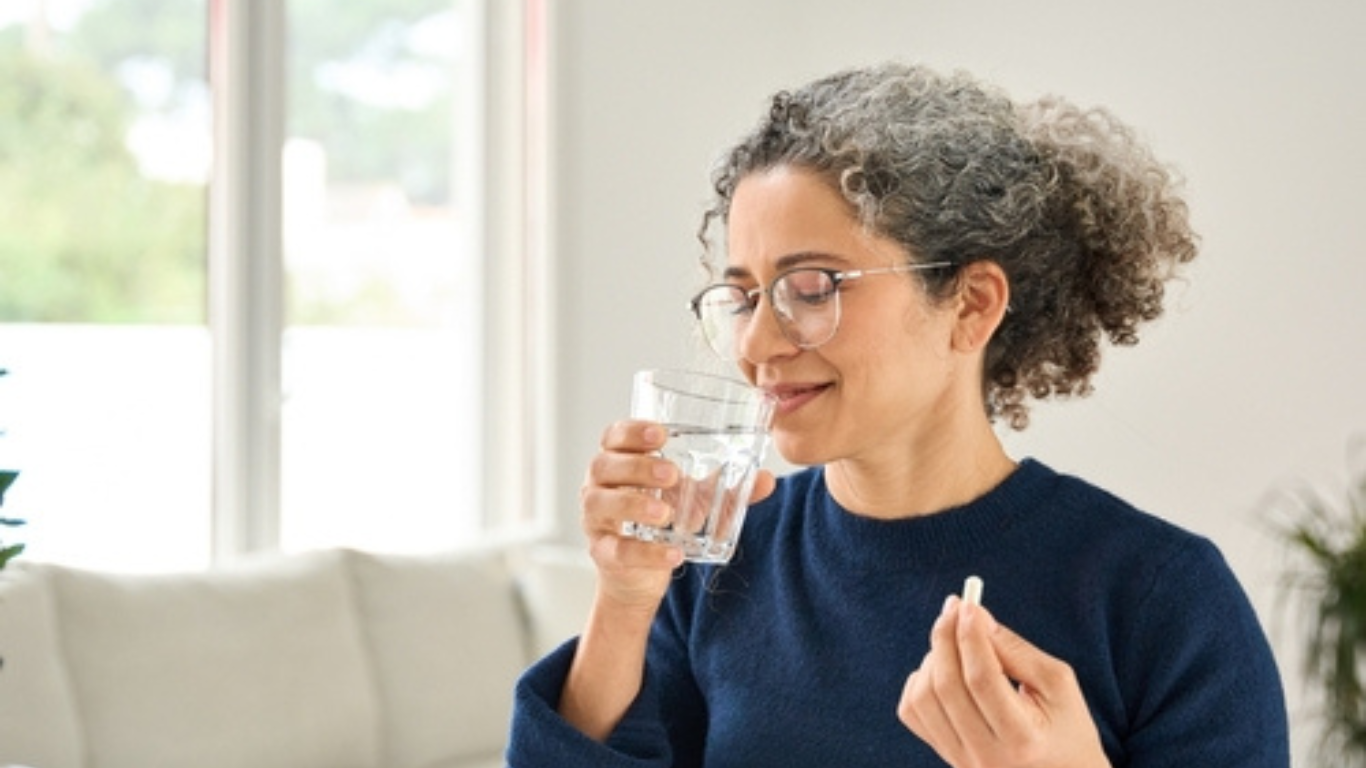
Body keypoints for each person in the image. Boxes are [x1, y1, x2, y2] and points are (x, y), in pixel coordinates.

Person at [507, 62, 1289, 767]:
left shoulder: (1160, 598)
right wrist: (624, 600)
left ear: (971, 305)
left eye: (812, 288)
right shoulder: (718, 565)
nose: (756, 343)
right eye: (743, 297)